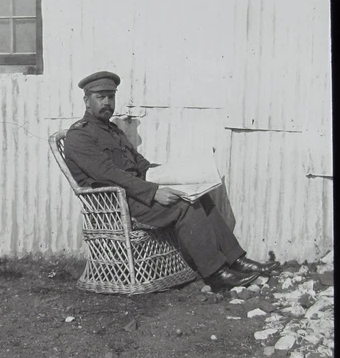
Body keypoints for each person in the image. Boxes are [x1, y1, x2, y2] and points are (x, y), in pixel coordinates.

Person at [64, 71, 280, 291]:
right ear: (86, 100)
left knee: (197, 195)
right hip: (115, 203)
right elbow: (109, 174)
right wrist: (153, 191)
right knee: (183, 205)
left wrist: (179, 175)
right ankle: (216, 274)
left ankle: (237, 261)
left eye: (111, 96)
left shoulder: (114, 131)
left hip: (135, 194)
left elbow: (141, 165)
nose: (107, 102)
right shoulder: (79, 136)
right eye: (101, 97)